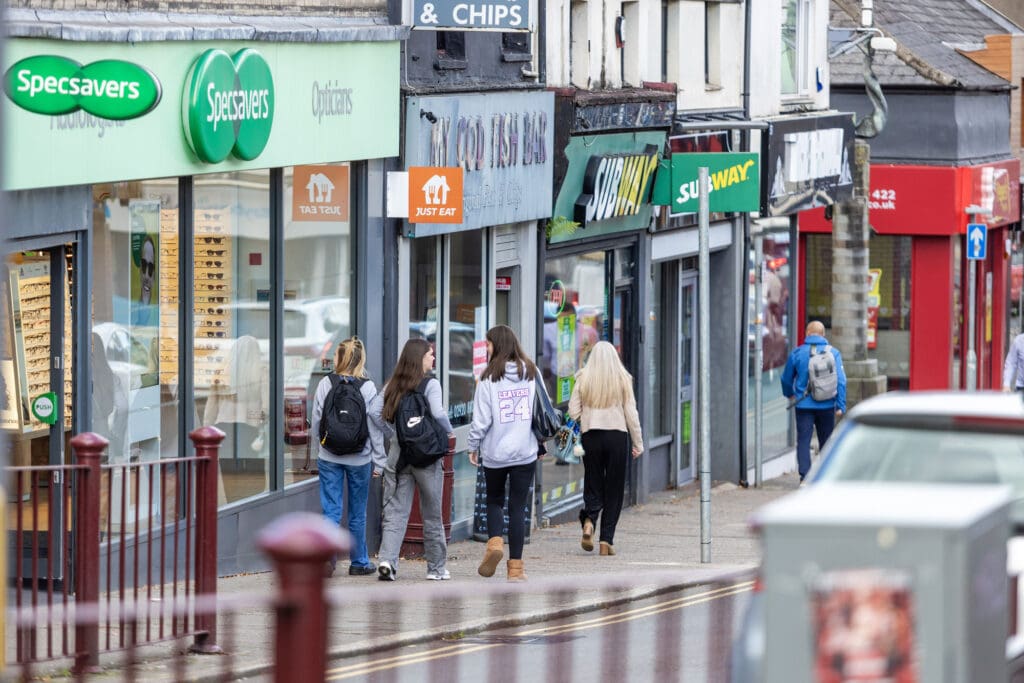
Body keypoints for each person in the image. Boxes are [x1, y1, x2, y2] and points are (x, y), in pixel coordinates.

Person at [377, 339, 455, 582]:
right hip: (427, 456)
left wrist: (394, 434)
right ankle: (436, 568)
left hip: (399, 456)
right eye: (430, 354)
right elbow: (439, 413)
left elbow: (374, 411)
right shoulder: (431, 384)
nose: (433, 359)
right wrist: (448, 432)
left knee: (395, 511)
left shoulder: (394, 383)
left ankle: (388, 562)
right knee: (432, 513)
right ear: (420, 357)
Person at [467, 325, 539, 582]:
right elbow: (541, 409)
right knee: (517, 508)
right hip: (525, 451)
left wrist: (472, 446)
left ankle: (495, 544)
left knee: (495, 500)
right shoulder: (531, 371)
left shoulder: (488, 379)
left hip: (496, 452)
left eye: (488, 344)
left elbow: (481, 421)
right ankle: (516, 570)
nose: (486, 349)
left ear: (497, 345)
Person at [309, 337, 386, 577]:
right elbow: (375, 426)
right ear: (361, 359)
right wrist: (380, 460)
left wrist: (317, 452)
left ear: (339, 358)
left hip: (329, 456)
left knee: (330, 510)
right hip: (360, 458)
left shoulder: (325, 383)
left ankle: (325, 560)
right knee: (357, 512)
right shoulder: (368, 387)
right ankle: (360, 561)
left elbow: (317, 422)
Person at [567, 341, 644, 556]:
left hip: (591, 436)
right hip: (617, 437)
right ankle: (606, 540)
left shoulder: (583, 377)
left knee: (593, 482)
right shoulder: (623, 378)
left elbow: (573, 411)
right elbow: (632, 414)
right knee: (614, 489)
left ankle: (589, 521)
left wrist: (588, 420)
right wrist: (638, 443)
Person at [781, 320, 847, 483]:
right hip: (827, 404)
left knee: (804, 439)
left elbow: (786, 379)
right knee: (826, 440)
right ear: (823, 334)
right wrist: (840, 405)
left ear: (807, 334)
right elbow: (841, 381)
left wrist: (790, 394)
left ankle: (805, 475)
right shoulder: (834, 353)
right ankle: (824, 475)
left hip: (803, 404)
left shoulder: (797, 353)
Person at [203, 335, 269, 475]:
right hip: (249, 426)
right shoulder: (261, 370)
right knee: (253, 469)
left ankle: (233, 496)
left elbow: (211, 404)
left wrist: (207, 425)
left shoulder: (221, 371)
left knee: (227, 468)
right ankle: (254, 496)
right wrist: (259, 418)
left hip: (223, 424)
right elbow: (266, 405)